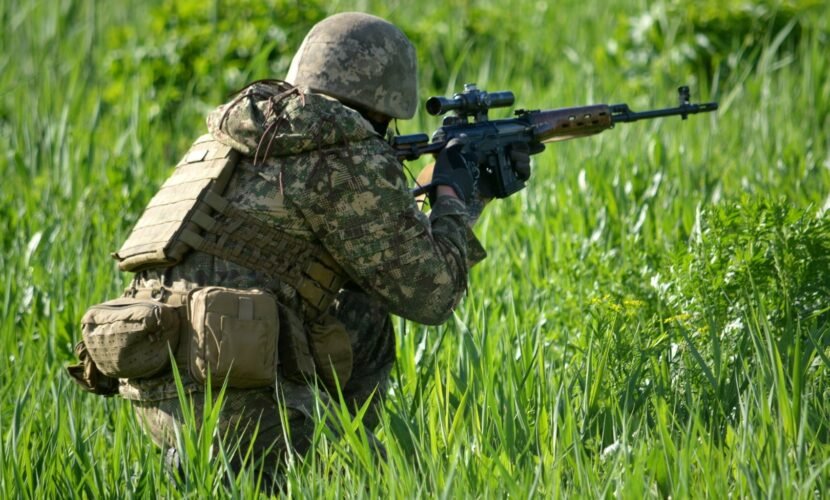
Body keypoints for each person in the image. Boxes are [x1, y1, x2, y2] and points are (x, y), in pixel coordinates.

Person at [71, 11, 525, 487]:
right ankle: (286, 461)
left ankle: (222, 464)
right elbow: (431, 295)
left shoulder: (230, 141)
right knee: (396, 484)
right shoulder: (341, 153)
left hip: (159, 391)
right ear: (384, 102)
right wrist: (455, 196)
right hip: (238, 397)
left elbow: (378, 252)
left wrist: (457, 193)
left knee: (361, 306)